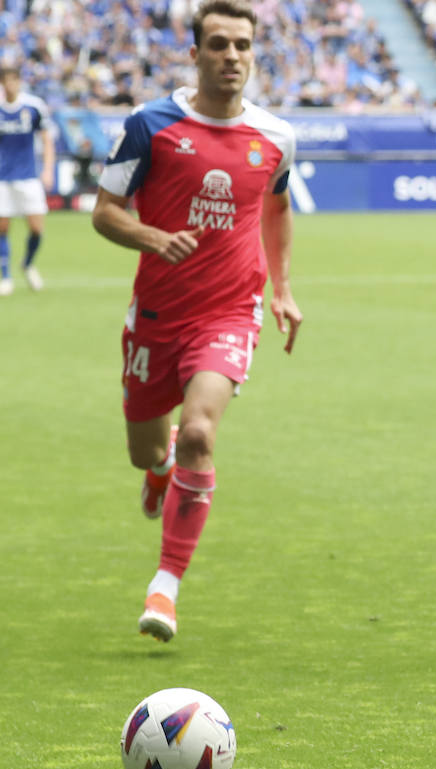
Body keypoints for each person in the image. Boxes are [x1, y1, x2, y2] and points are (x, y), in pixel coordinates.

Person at [91, 0, 300, 642]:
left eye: (242, 45)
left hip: (228, 311)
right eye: (218, 45)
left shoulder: (276, 137)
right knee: (147, 451)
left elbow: (277, 208)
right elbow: (104, 211)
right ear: (195, 52)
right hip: (156, 315)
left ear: (252, 52)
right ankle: (162, 469)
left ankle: (166, 587)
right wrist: (152, 238)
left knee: (201, 434)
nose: (231, 57)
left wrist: (283, 288)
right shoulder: (150, 125)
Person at [0, 66, 56, 295]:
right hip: (2, 178)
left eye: (14, 79)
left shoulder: (33, 107)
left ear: (19, 81)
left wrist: (49, 170)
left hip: (28, 177)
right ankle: (6, 276)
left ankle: (28, 263)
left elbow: (46, 138)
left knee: (36, 228)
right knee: (2, 228)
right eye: (6, 80)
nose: (10, 84)